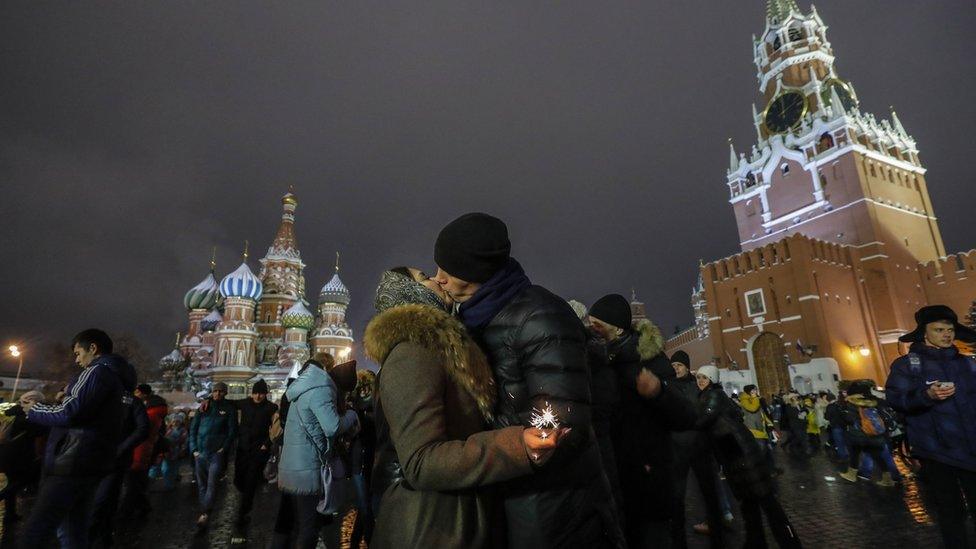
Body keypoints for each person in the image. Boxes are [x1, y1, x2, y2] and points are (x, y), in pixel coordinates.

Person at [433, 213, 622, 548]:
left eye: (449, 269)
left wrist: (476, 441)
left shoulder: (540, 317)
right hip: (509, 492)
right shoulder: (476, 317)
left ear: (477, 270)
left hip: (550, 506)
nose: (439, 280)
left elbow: (562, 424)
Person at [366, 268, 562, 548]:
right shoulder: (412, 352)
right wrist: (517, 445)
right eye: (424, 277)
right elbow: (421, 462)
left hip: (453, 517)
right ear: (409, 292)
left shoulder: (438, 348)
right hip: (432, 526)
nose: (438, 279)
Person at [587, 293, 698, 548]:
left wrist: (658, 392)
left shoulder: (652, 361)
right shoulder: (601, 359)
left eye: (597, 324)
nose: (591, 329)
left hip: (649, 475)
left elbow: (687, 415)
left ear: (616, 327)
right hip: (615, 475)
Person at [20, 329, 133, 548]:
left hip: (70, 462)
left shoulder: (96, 372)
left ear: (93, 348)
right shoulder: (121, 381)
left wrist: (34, 409)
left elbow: (71, 412)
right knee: (73, 532)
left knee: (37, 531)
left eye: (78, 353)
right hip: (93, 463)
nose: (77, 359)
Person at [885, 305, 976, 547]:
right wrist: (927, 395)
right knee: (950, 513)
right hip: (937, 453)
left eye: (949, 329)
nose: (947, 334)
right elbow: (896, 399)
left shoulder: (967, 364)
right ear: (924, 333)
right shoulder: (906, 365)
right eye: (939, 329)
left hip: (971, 449)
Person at [695, 365, 802, 549]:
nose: (700, 381)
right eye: (698, 377)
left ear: (712, 379)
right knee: (749, 503)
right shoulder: (713, 395)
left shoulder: (713, 395)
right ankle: (756, 542)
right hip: (735, 453)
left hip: (742, 455)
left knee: (767, 502)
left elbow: (704, 418)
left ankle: (789, 543)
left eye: (704, 377)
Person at [271, 358, 358, 549]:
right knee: (308, 526)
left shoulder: (307, 387)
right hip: (306, 467)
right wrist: (351, 416)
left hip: (293, 465)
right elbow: (332, 427)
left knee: (297, 523)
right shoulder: (323, 390)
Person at [668, 350, 725, 549]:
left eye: (680, 365)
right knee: (677, 496)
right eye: (673, 365)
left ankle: (717, 533)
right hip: (677, 446)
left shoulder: (698, 386)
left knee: (709, 492)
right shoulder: (668, 387)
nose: (676, 368)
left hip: (700, 446)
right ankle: (678, 539)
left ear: (687, 367)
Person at [89, 381, 149, 548]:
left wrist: (121, 448)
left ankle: (95, 539)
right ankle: (104, 537)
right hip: (93, 457)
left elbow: (143, 428)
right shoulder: (98, 398)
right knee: (102, 501)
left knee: (101, 501)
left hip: (114, 460)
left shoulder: (131, 402)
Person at [188, 381, 237, 528]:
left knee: (212, 483)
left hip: (216, 453)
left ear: (225, 393)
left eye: (221, 391)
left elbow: (232, 431)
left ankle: (205, 512)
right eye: (215, 391)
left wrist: (224, 448)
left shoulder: (229, 409)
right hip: (200, 452)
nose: (217, 394)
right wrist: (194, 449)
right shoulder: (203, 408)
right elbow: (193, 429)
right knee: (202, 484)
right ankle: (205, 511)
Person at [234, 378, 278, 527]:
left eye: (261, 394)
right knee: (239, 480)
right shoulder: (244, 404)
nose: (258, 396)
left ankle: (243, 512)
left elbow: (275, 427)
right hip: (243, 448)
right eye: (256, 393)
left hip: (259, 450)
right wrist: (207, 399)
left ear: (265, 394)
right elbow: (227, 403)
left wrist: (267, 443)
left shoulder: (271, 408)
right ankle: (244, 499)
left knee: (251, 482)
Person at [0, 391, 48, 524]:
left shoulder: (12, 410)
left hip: (6, 452)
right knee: (21, 481)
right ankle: (9, 512)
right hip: (20, 455)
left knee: (12, 482)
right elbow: (39, 435)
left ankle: (10, 514)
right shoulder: (30, 415)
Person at [837, 380, 895, 486]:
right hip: (874, 435)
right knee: (878, 456)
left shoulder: (852, 403)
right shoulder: (874, 401)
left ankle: (851, 475)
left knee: (854, 454)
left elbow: (849, 419)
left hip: (859, 436)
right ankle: (887, 479)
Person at [126, 383, 167, 516]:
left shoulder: (149, 412)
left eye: (136, 392)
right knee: (138, 480)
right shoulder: (152, 409)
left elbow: (141, 431)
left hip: (141, 449)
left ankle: (127, 510)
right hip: (145, 449)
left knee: (134, 481)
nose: (134, 395)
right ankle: (142, 505)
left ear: (142, 394)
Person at [740, 384, 776, 471]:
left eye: (756, 390)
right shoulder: (745, 400)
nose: (756, 392)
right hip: (753, 429)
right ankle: (757, 470)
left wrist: (770, 424)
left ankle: (771, 469)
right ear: (749, 391)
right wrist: (755, 398)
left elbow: (762, 413)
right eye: (753, 390)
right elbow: (752, 408)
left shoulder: (756, 399)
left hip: (761, 429)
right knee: (761, 450)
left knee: (767, 451)